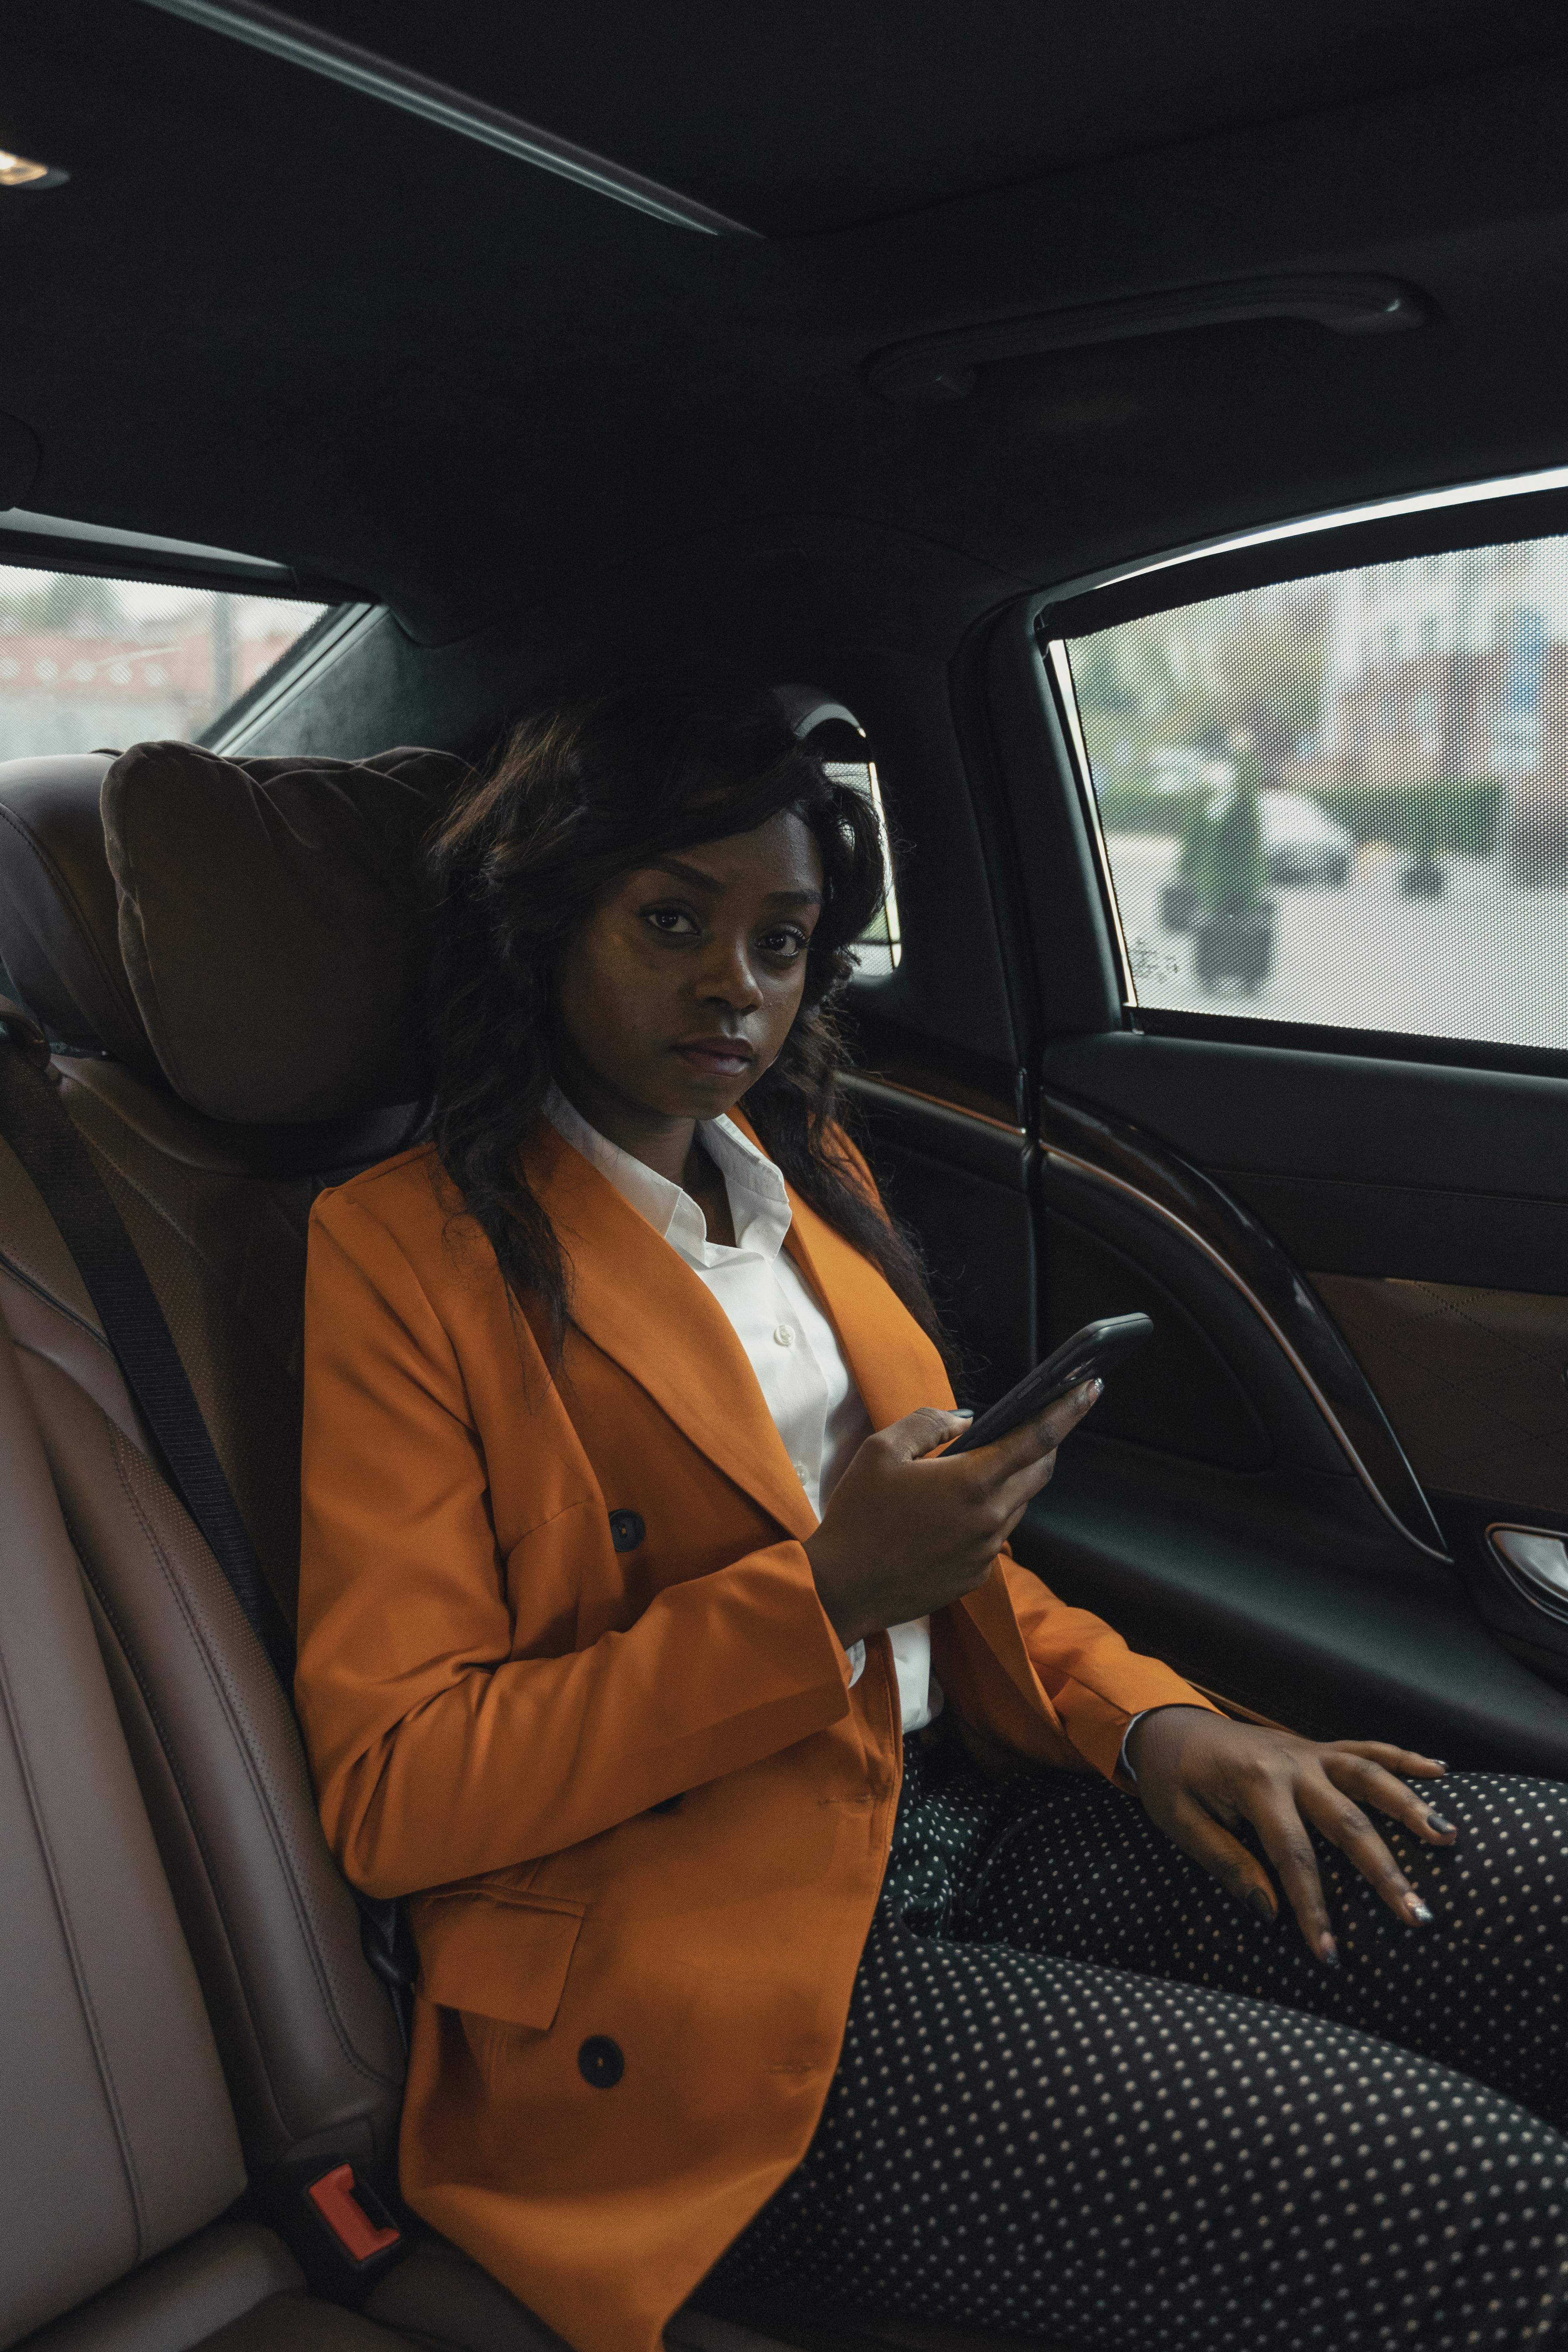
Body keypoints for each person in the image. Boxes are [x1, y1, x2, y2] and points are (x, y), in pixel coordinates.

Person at [295, 677, 1568, 2352]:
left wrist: (1158, 1728)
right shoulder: (399, 1251)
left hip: (972, 1815)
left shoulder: (807, 1174)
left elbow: (952, 1571)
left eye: (780, 940)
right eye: (671, 920)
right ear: (544, 922)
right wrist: (816, 1593)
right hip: (685, 1969)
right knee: (1493, 2220)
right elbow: (400, 1796)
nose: (731, 988)